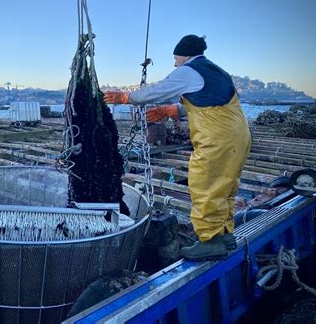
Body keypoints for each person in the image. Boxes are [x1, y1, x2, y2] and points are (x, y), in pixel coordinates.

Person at [104, 34, 252, 261]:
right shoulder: (216, 71)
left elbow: (157, 90)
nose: (175, 63)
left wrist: (126, 97)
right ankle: (224, 234)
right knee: (226, 184)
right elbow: (210, 100)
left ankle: (209, 240)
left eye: (176, 58)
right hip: (238, 135)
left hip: (217, 138)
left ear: (185, 55)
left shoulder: (188, 70)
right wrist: (173, 110)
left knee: (204, 184)